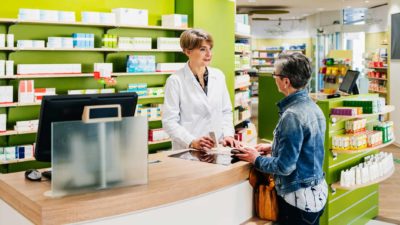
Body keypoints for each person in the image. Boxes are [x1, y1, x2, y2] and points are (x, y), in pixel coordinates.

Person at [236, 53, 327, 225]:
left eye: (275, 75)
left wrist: (256, 159)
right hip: (316, 194)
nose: (274, 79)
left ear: (286, 81)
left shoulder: (292, 115)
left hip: (297, 200)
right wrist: (274, 147)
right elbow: (306, 148)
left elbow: (285, 167)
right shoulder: (314, 108)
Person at [162, 29, 239, 150]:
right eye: (203, 49)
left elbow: (226, 111)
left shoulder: (218, 76)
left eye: (210, 49)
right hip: (188, 150)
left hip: (217, 147)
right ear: (188, 51)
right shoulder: (175, 81)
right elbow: (169, 122)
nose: (209, 54)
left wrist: (228, 134)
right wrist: (191, 141)